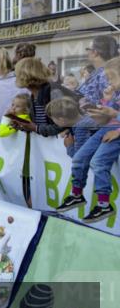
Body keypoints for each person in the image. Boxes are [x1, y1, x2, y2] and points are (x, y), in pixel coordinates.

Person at [55, 56, 120, 222]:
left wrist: (117, 131)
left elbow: (115, 115)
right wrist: (102, 104)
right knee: (78, 158)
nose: (109, 82)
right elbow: (109, 114)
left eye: (112, 78)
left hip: (115, 133)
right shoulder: (115, 93)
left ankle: (104, 205)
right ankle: (76, 194)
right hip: (105, 129)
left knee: (98, 162)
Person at [9, 58, 79, 138]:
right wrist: (22, 126)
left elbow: (63, 126)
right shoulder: (33, 95)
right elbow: (40, 127)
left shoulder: (53, 92)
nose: (15, 78)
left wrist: (35, 128)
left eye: (17, 74)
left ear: (25, 75)